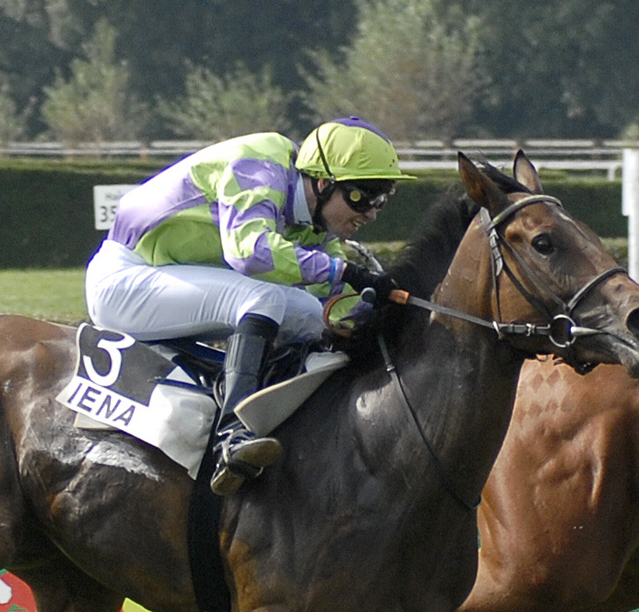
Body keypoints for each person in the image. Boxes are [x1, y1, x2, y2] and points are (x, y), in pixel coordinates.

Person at [89, 118, 406, 493]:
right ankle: (232, 434)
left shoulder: (315, 223)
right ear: (323, 182)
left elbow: (327, 299)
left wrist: (369, 308)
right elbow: (251, 252)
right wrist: (347, 272)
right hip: (124, 281)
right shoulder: (259, 163)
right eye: (363, 196)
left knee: (309, 315)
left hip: (166, 280)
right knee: (263, 297)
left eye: (381, 199)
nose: (370, 213)